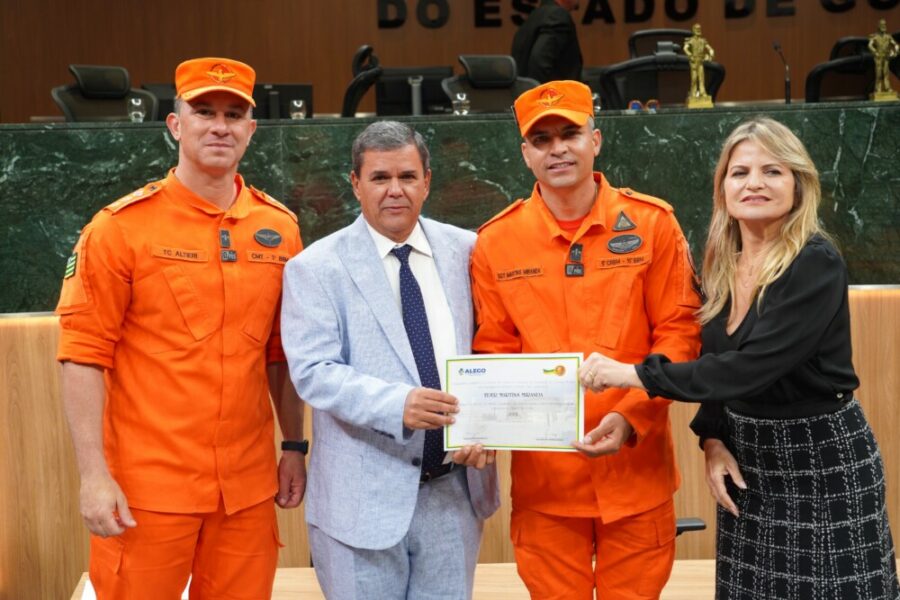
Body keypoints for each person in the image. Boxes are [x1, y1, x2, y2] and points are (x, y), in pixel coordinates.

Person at [580, 117, 900, 600]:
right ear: (723, 188)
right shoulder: (722, 264)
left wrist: (629, 374)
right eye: (739, 172)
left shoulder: (815, 262)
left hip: (820, 460)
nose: (754, 183)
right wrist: (713, 438)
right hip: (747, 461)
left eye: (772, 171)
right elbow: (716, 358)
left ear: (798, 184)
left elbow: (746, 368)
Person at [56, 57, 306, 599]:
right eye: (204, 111)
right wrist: (94, 476)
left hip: (245, 490)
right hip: (148, 490)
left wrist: (295, 446)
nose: (220, 125)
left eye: (235, 114)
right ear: (175, 125)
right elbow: (82, 355)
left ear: (251, 130)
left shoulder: (279, 228)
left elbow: (281, 355)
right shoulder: (120, 228)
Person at [471, 80, 701, 599]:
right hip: (547, 487)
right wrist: (483, 420)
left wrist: (630, 417)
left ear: (595, 140)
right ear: (526, 154)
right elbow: (494, 351)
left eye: (570, 133)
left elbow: (680, 332)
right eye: (543, 139)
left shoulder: (652, 223)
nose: (558, 149)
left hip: (637, 475)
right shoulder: (495, 243)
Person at [281, 120, 499, 599]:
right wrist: (395, 403)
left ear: (427, 181)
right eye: (380, 178)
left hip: (454, 492)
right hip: (360, 501)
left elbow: (494, 350)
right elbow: (313, 372)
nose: (394, 190)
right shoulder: (314, 268)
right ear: (355, 184)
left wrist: (494, 426)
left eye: (407, 176)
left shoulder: (469, 251)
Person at [511, 0, 583, 83]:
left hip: (525, 92)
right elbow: (539, 63)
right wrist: (540, 94)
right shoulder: (557, 15)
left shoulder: (533, 17)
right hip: (554, 94)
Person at [684, 23, 715, 100]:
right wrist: (690, 55)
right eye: (697, 29)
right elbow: (685, 48)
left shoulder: (703, 41)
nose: (698, 30)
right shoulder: (690, 40)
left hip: (700, 61)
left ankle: (702, 93)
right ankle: (693, 93)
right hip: (694, 61)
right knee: (694, 79)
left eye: (699, 29)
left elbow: (710, 49)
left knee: (701, 78)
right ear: (693, 30)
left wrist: (711, 54)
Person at [869, 18, 899, 96]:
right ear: (879, 26)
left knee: (886, 73)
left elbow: (895, 45)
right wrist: (875, 52)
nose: (884, 26)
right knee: (879, 74)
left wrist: (894, 52)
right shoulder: (875, 37)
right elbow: (870, 45)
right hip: (878, 57)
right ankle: (878, 89)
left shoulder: (888, 37)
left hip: (886, 57)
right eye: (882, 25)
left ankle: (887, 88)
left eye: (885, 25)